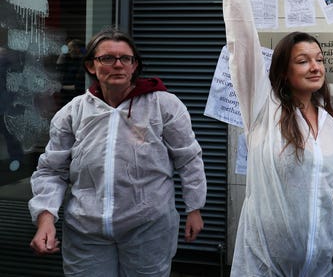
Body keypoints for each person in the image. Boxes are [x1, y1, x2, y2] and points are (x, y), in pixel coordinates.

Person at [210, 0, 333, 276]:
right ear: (284, 70)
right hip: (264, 267)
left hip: (320, 270)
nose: (315, 67)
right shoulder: (262, 107)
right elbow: (242, 38)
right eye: (303, 60)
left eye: (319, 59)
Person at [28, 27, 207, 276]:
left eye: (126, 59)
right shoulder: (74, 112)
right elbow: (51, 170)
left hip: (148, 227)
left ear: (134, 66)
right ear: (91, 65)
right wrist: (45, 218)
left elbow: (188, 159)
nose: (118, 65)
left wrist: (194, 208)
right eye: (108, 58)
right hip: (86, 230)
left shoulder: (163, 105)